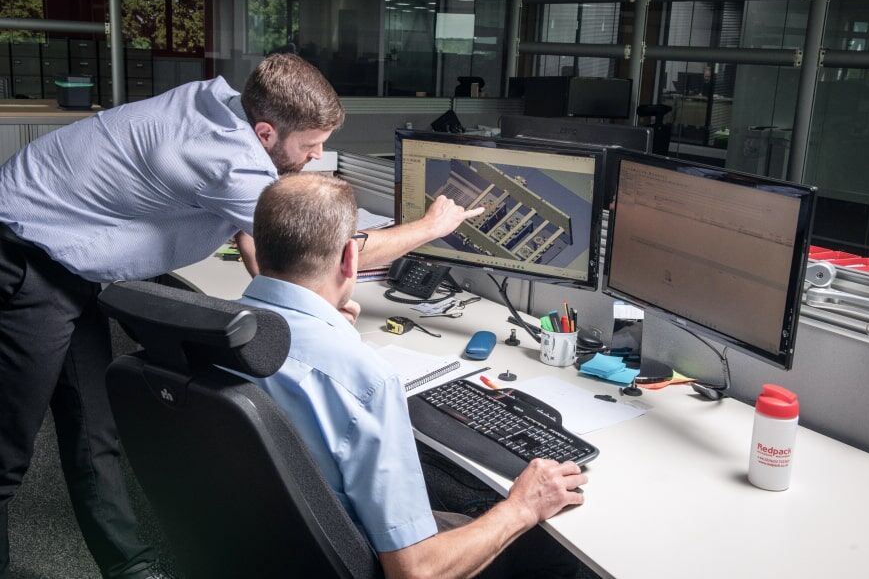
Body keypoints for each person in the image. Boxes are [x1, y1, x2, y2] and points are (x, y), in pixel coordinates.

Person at [0, 53, 480, 579]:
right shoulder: (229, 160)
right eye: (311, 146)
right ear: (267, 131)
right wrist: (433, 226)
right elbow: (318, 250)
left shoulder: (222, 105)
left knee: (92, 428)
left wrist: (296, 306)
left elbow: (262, 245)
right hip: (25, 256)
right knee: (9, 449)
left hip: (73, 258)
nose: (319, 155)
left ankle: (129, 568)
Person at [239, 172, 587, 578]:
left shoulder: (217, 327)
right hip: (357, 562)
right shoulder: (363, 379)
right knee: (549, 546)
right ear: (351, 258)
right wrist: (522, 506)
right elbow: (414, 572)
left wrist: (329, 333)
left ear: (258, 251)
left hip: (263, 541)